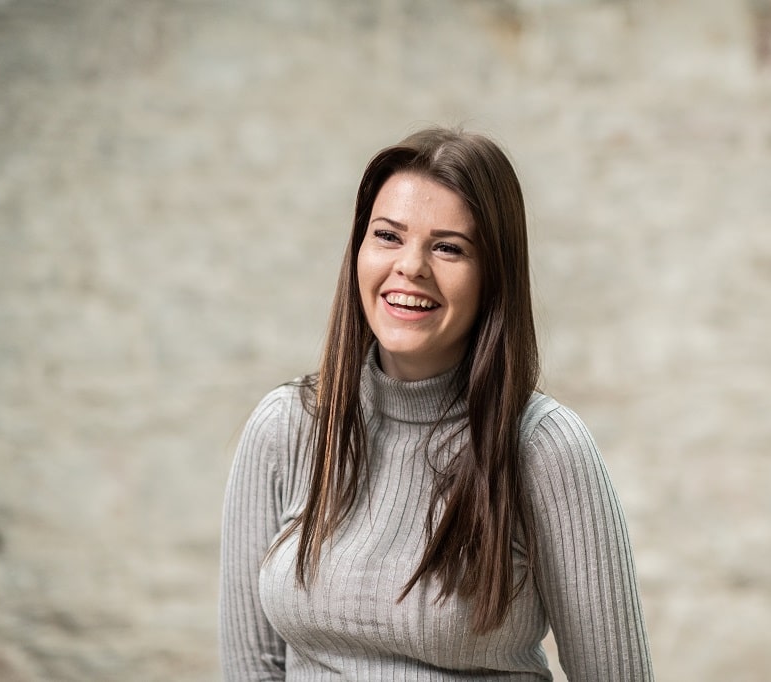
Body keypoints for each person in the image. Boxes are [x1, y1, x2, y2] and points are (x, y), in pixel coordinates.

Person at [219, 126, 654, 681]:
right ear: (359, 249)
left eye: (448, 247)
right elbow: (251, 669)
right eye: (388, 236)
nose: (412, 267)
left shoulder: (544, 447)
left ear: (493, 276)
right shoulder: (287, 426)